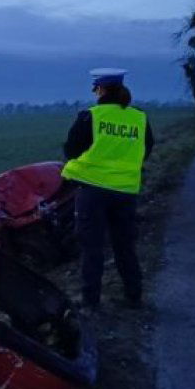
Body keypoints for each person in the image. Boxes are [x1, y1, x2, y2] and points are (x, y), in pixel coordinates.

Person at [62, 68, 154, 309]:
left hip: (92, 192)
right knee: (125, 246)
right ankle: (134, 296)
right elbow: (147, 149)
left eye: (95, 89)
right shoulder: (139, 118)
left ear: (101, 90)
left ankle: (91, 303)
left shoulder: (89, 117)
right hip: (125, 192)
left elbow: (71, 151)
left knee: (92, 249)